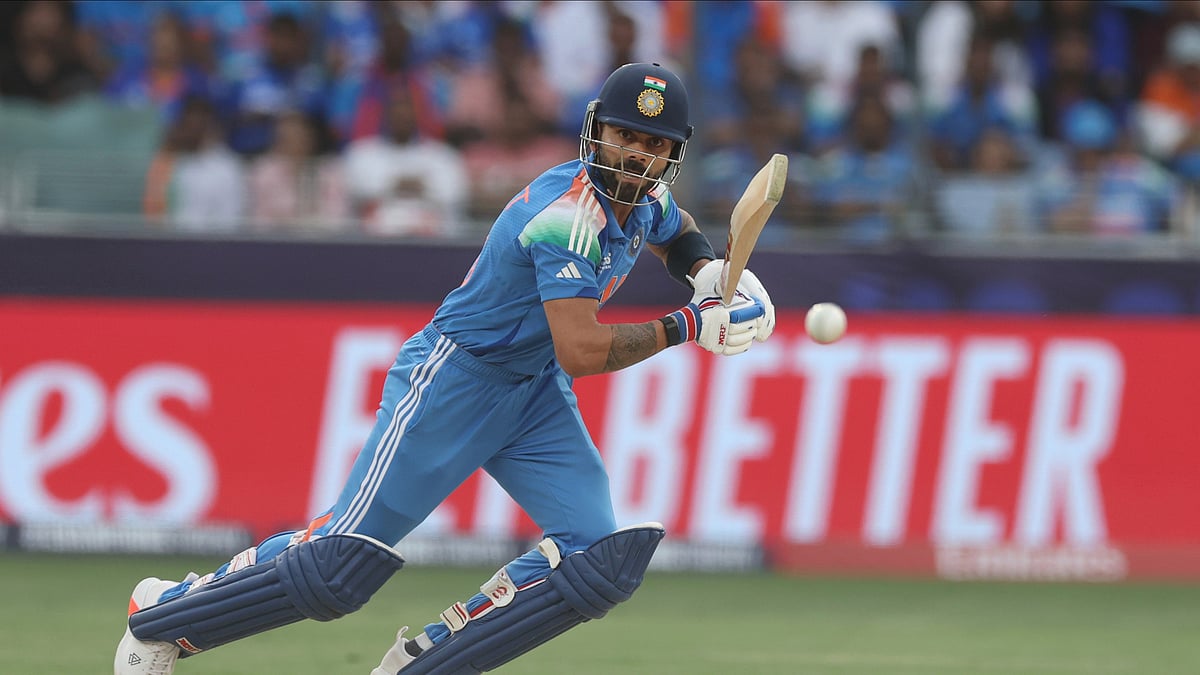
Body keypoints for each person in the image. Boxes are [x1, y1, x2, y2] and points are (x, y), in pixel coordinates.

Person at [113, 62, 776, 675]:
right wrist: (691, 323)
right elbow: (581, 348)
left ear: (670, 154)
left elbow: (674, 223)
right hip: (455, 381)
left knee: (599, 561)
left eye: (654, 144)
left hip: (533, 392)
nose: (636, 153)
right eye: (625, 135)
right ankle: (165, 615)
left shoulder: (644, 200)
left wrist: (705, 270)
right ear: (596, 131)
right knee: (337, 570)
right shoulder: (567, 214)